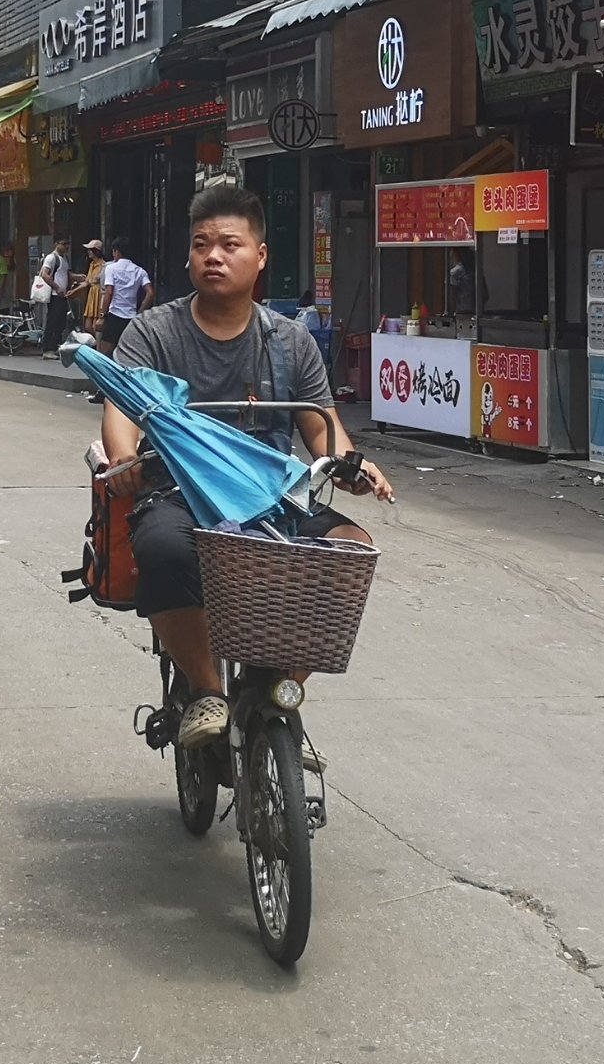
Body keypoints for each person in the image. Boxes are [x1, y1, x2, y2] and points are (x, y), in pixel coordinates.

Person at [104, 178, 394, 755]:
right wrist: (125, 457)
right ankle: (206, 690)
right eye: (201, 245)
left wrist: (352, 465)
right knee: (162, 549)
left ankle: (276, 683)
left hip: (272, 499)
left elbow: (321, 425)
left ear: (260, 256)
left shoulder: (289, 340)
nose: (213, 256)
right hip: (178, 493)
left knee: (351, 552)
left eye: (229, 245)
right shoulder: (153, 331)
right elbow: (122, 409)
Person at [97, 241, 150, 347]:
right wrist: (140, 313)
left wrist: (101, 316)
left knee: (104, 352)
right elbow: (150, 293)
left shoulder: (111, 268)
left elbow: (109, 292)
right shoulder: (140, 271)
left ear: (117, 252)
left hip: (115, 315)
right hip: (131, 318)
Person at [30, 237, 67, 349]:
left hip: (63, 295)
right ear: (56, 243)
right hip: (54, 295)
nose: (66, 246)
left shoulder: (65, 258)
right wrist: (57, 287)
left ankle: (55, 346)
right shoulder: (51, 258)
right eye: (64, 243)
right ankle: (47, 348)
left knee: (61, 322)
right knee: (53, 321)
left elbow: (65, 274)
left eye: (68, 244)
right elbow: (45, 274)